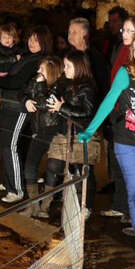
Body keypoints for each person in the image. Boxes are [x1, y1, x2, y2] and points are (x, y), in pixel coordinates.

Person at [79, 32, 135, 257]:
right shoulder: (125, 73)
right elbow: (109, 101)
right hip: (126, 142)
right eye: (134, 49)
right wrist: (90, 130)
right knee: (134, 190)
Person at [0, 26, 52, 203]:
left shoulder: (40, 61)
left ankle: (16, 189)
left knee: (10, 146)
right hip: (8, 104)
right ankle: (8, 181)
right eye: (31, 39)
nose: (32, 43)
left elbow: (17, 82)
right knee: (6, 143)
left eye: (36, 40)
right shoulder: (27, 57)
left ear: (44, 42)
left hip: (19, 107)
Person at [99, 14, 135, 219]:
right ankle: (121, 204)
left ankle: (132, 210)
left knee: (131, 164)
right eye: (123, 30)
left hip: (131, 114)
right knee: (118, 161)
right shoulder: (121, 49)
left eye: (130, 31)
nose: (125, 34)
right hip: (117, 110)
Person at [43, 50, 99, 217]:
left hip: (83, 134)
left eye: (68, 66)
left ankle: (85, 207)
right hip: (63, 132)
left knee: (83, 170)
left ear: (79, 66)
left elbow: (87, 111)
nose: (64, 69)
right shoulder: (64, 82)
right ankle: (46, 205)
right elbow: (54, 97)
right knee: (53, 164)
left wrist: (62, 107)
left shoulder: (88, 86)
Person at [20, 55, 65, 210]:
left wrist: (40, 86)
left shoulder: (59, 86)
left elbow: (44, 103)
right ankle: (33, 204)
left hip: (52, 130)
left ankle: (45, 205)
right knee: (30, 164)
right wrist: (25, 100)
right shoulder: (37, 81)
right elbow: (24, 92)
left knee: (53, 167)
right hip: (38, 129)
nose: (38, 71)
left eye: (42, 69)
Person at [0, 24, 23, 184]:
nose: (7, 41)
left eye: (10, 38)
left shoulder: (17, 50)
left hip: (9, 89)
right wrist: (14, 59)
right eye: (4, 38)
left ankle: (10, 175)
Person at [68, 17, 109, 97]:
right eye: (69, 32)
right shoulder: (67, 54)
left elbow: (101, 85)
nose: (70, 36)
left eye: (74, 32)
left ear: (85, 34)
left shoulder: (95, 58)